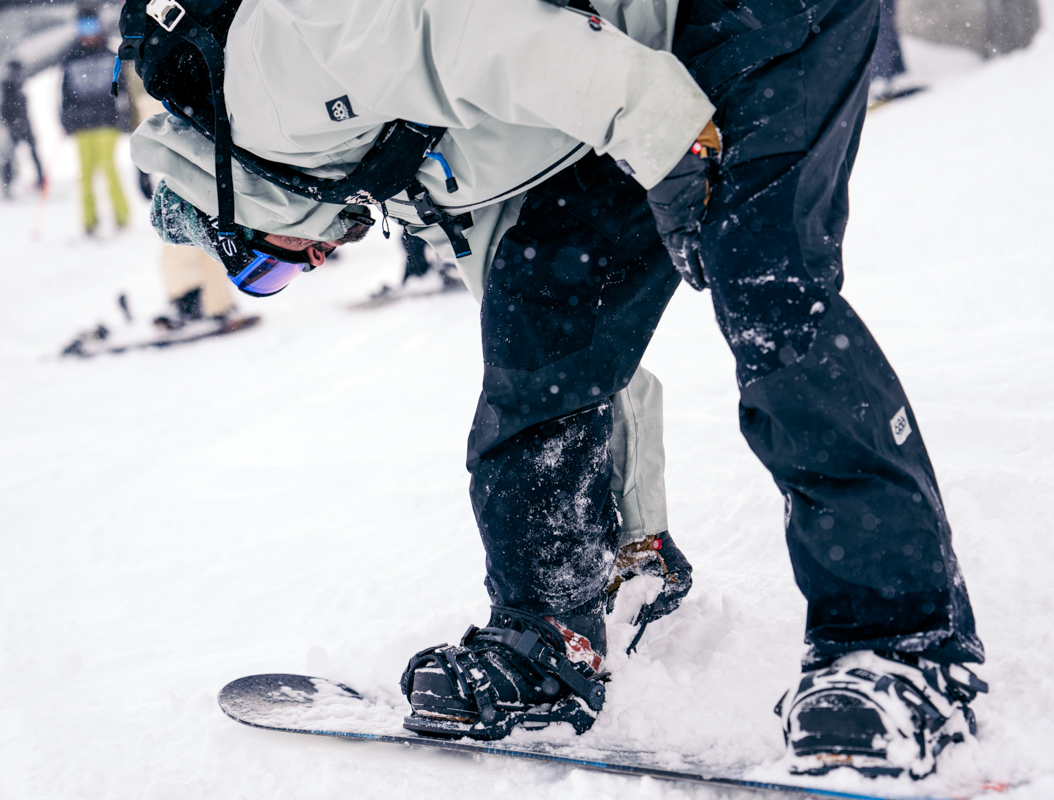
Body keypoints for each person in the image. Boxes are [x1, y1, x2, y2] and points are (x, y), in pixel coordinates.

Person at [132, 0, 986, 779]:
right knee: (540, 323)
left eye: (262, 261)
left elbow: (472, 33)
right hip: (607, 70)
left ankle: (899, 643)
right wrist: (636, 544)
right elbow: (564, 365)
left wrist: (669, 135)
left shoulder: (270, 69)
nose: (308, 261)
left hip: (733, 20)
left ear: (226, 195)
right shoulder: (368, 159)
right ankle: (550, 633)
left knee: (766, 286)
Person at [61, 6, 129, 235]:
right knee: (85, 173)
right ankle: (90, 221)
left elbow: (122, 88)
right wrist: (65, 119)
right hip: (82, 125)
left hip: (106, 122)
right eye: (83, 27)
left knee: (109, 168)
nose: (88, 32)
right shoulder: (71, 57)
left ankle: (121, 216)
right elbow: (66, 93)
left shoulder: (109, 55)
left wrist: (125, 116)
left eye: (92, 26)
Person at [1, 60, 45, 197]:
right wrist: (9, 123)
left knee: (32, 153)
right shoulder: (7, 87)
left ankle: (41, 182)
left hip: (24, 124)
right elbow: (3, 109)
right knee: (8, 157)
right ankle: (7, 186)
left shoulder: (17, 86)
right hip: (14, 126)